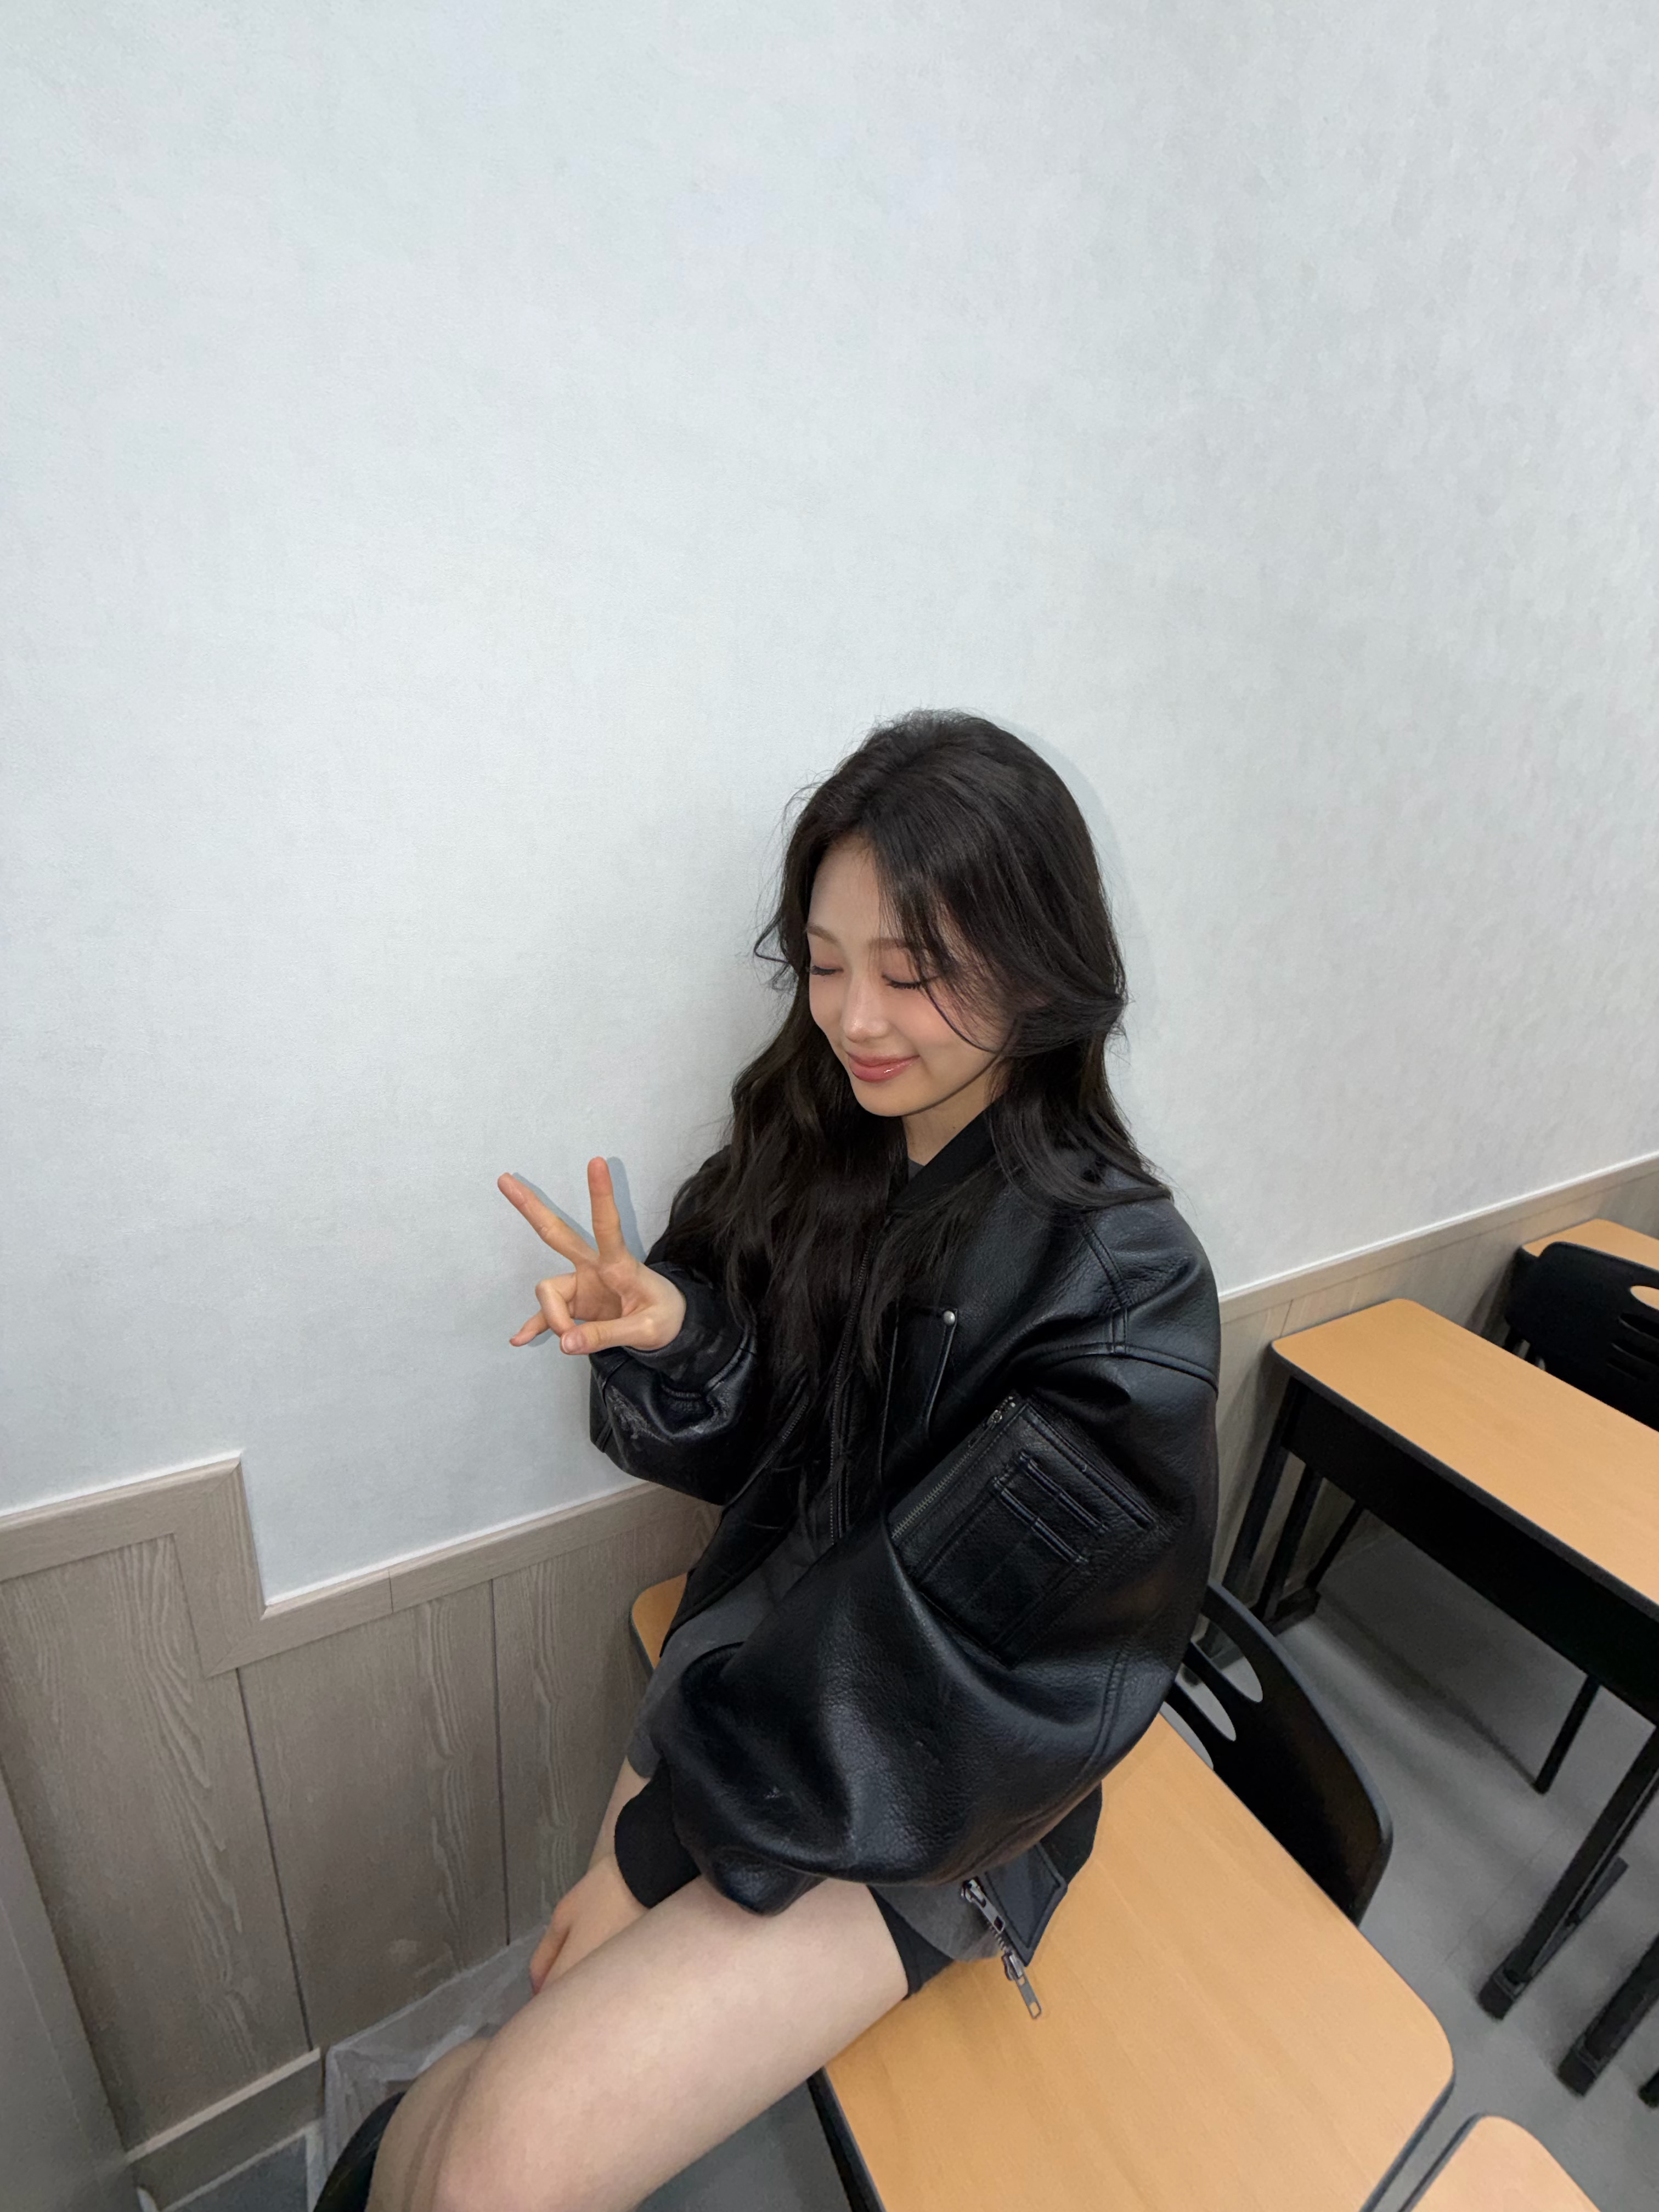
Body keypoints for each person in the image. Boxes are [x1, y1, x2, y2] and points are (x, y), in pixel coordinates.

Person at [320, 709, 1220, 2212]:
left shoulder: (1125, 1298)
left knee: (502, 2161)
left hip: (937, 1790)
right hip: (764, 1676)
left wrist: (655, 1847)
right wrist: (683, 1330)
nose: (856, 1017)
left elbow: (942, 1673)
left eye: (912, 971)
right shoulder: (833, 1137)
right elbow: (783, 1444)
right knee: (520, 2086)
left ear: (1041, 962)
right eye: (823, 961)